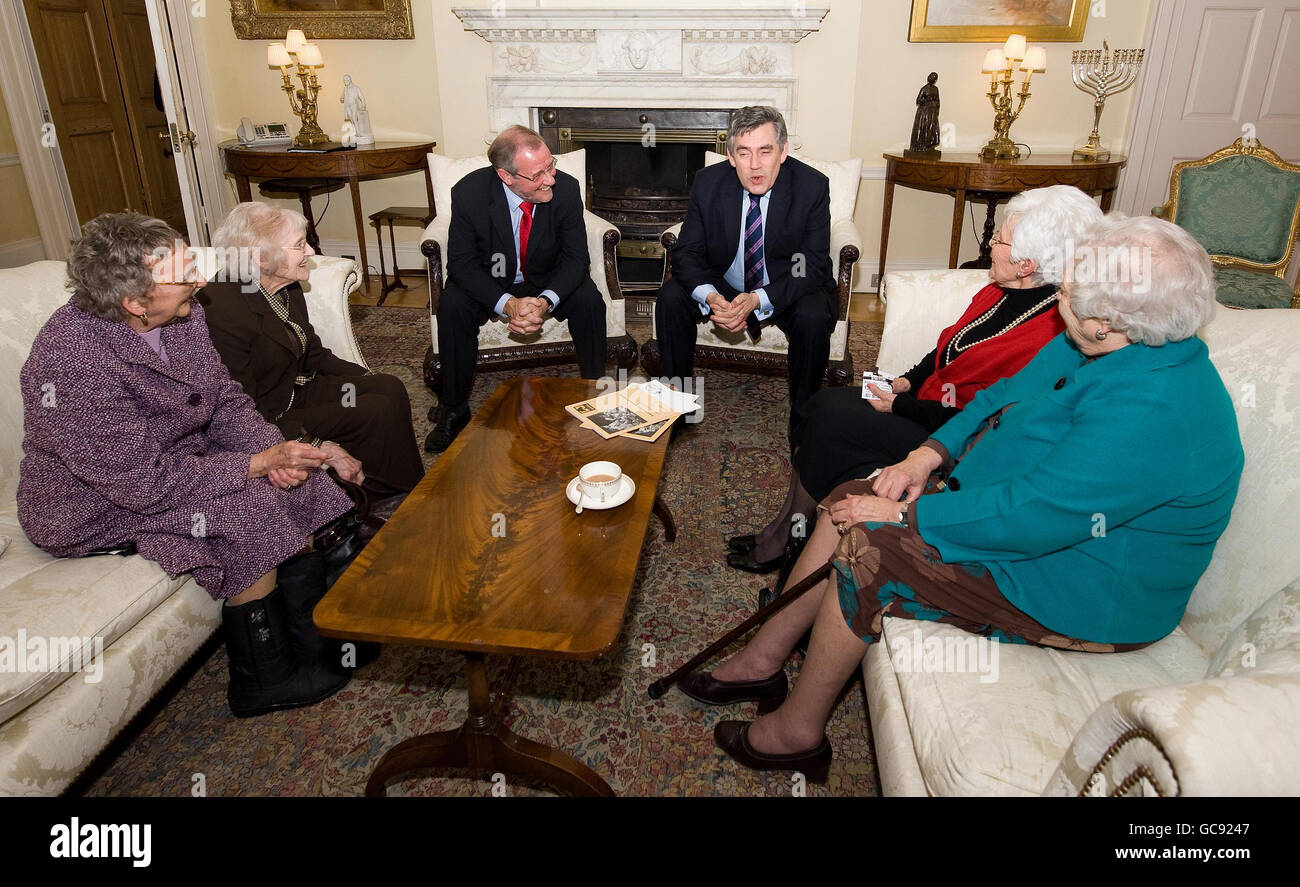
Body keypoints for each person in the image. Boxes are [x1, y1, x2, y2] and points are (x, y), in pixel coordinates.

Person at [682, 214, 1244, 781]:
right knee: (858, 492)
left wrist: (905, 514)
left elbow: (1036, 517)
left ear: (1106, 322)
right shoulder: (1102, 344)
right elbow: (1001, 394)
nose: (1058, 299)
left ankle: (797, 733)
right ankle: (763, 661)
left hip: (1080, 585)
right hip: (1020, 519)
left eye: (1069, 294)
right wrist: (924, 456)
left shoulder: (1156, 410)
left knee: (871, 549)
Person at [18, 212, 365, 717]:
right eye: (185, 276)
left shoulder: (180, 315)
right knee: (247, 509)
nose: (201, 282)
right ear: (135, 304)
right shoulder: (71, 365)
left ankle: (315, 640)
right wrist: (254, 466)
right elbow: (144, 486)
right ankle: (263, 680)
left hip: (174, 461)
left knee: (297, 479)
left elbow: (223, 401)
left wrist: (275, 454)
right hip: (92, 505)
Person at [728, 185, 1104, 573]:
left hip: (949, 435)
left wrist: (901, 404)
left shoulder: (1048, 334)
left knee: (829, 424)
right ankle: (790, 529)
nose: (989, 244)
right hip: (920, 402)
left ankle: (786, 540)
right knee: (818, 405)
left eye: (999, 239)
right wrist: (904, 382)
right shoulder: (998, 290)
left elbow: (983, 418)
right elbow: (948, 345)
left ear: (1026, 264)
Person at [202, 202, 424, 499]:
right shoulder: (222, 310)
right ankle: (381, 497)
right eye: (299, 245)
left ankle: (400, 489)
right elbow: (240, 407)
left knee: (388, 387)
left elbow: (312, 351)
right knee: (373, 408)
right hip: (271, 415)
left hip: (298, 387)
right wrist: (312, 442)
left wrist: (365, 376)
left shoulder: (284, 286)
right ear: (261, 258)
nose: (310, 252)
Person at [427, 124, 607, 452]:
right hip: (491, 281)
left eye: (551, 165)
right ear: (506, 176)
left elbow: (576, 260)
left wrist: (544, 301)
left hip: (546, 277)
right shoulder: (469, 193)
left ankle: (594, 396)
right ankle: (453, 408)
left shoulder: (566, 188)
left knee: (589, 300)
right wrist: (508, 303)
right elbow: (463, 265)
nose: (550, 178)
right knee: (452, 305)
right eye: (538, 174)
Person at [655, 105, 835, 426]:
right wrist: (711, 297)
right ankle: (678, 407)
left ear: (783, 151)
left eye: (765, 151)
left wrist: (757, 300)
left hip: (785, 281)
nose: (755, 165)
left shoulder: (811, 187)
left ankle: (805, 420)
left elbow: (809, 265)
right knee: (671, 298)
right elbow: (687, 253)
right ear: (730, 155)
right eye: (744, 152)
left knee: (813, 315)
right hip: (725, 281)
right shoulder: (708, 183)